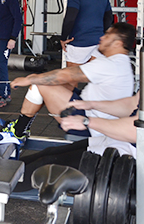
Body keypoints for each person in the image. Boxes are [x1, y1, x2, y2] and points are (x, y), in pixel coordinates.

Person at [15, 18, 144, 192]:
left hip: (140, 160)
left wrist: (87, 121)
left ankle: (0, 185)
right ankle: (5, 172)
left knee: (47, 166)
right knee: (49, 154)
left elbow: (138, 131)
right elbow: (131, 104)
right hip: (126, 145)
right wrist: (91, 104)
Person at [7, 22, 136, 139]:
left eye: (107, 36)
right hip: (90, 107)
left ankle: (18, 132)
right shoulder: (120, 62)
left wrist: (29, 79)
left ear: (118, 44)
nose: (102, 38)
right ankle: (21, 127)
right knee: (49, 82)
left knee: (40, 84)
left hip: (90, 123)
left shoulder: (111, 65)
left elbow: (66, 75)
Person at [60, 0, 113, 67]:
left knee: (72, 76)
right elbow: (108, 18)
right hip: (98, 43)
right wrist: (100, 34)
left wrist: (63, 38)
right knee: (94, 74)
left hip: (79, 43)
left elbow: (70, 18)